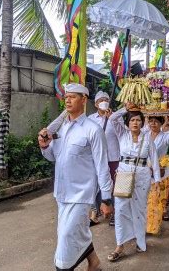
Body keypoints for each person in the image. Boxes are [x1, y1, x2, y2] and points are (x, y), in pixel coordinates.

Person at [38, 84, 114, 271]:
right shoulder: (62, 129)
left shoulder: (93, 130)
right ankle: (94, 263)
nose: (68, 99)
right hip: (62, 193)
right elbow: (54, 157)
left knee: (66, 238)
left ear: (83, 100)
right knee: (75, 233)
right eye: (66, 97)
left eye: (73, 96)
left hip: (81, 194)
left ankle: (63, 268)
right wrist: (45, 146)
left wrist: (106, 198)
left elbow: (102, 166)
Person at [107, 103, 160, 262]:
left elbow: (154, 158)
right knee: (121, 209)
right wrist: (126, 109)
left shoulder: (147, 137)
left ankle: (140, 240)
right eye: (132, 120)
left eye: (138, 120)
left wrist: (156, 179)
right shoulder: (122, 134)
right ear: (128, 123)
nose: (135, 123)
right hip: (124, 174)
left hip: (143, 175)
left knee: (139, 208)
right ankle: (120, 245)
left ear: (142, 122)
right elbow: (112, 118)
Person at [87, 91, 121, 226]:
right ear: (96, 104)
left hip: (112, 156)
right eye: (101, 100)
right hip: (95, 158)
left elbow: (122, 134)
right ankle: (95, 213)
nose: (103, 102)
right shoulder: (90, 119)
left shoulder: (116, 118)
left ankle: (113, 212)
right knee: (95, 185)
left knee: (113, 185)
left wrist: (113, 118)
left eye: (106, 99)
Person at [145, 114, 169, 234]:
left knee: (158, 199)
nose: (153, 124)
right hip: (146, 171)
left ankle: (153, 226)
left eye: (156, 122)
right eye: (151, 121)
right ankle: (146, 225)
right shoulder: (144, 136)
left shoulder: (165, 137)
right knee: (148, 200)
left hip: (161, 172)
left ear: (161, 124)